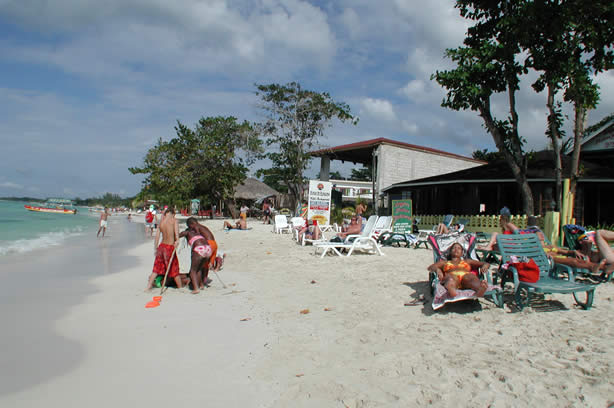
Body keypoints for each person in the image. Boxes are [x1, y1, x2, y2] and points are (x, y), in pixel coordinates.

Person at [145, 208, 183, 291]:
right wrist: (177, 241)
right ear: (173, 214)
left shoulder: (161, 222)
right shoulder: (174, 221)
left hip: (161, 247)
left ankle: (148, 286)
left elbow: (157, 237)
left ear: (165, 214)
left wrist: (156, 249)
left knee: (156, 268)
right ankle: (180, 287)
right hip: (169, 247)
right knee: (174, 268)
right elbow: (177, 236)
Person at [180, 217, 218, 293]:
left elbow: (180, 235)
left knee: (193, 270)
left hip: (203, 246)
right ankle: (202, 284)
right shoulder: (202, 227)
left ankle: (196, 288)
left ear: (191, 224)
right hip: (210, 246)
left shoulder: (194, 228)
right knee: (201, 267)